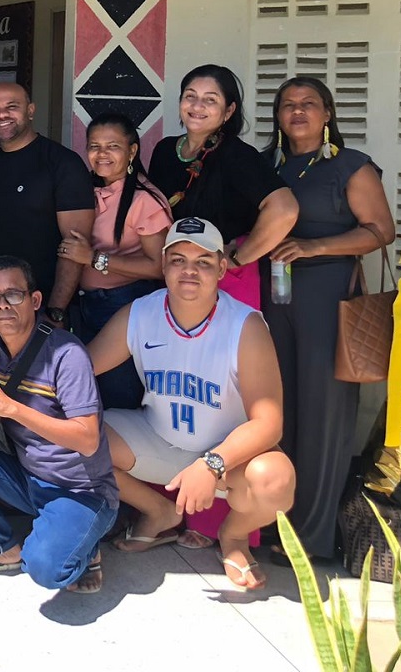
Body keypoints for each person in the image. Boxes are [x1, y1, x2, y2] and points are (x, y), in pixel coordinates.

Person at [89, 217, 296, 591]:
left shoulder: (244, 326)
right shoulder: (139, 313)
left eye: (203, 261)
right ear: (163, 265)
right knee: (77, 440)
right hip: (157, 440)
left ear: (221, 267)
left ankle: (232, 536)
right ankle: (158, 512)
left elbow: (269, 423)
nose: (189, 270)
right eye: (179, 259)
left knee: (275, 481)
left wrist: (212, 464)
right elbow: (81, 371)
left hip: (225, 457)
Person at [262, 77, 395, 561]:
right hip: (272, 298)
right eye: (288, 105)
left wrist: (314, 246)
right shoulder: (267, 165)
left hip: (326, 296)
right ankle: (273, 521)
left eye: (308, 104)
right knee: (279, 412)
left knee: (322, 415)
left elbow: (381, 230)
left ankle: (313, 537)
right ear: (277, 115)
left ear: (327, 113)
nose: (298, 112)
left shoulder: (349, 166)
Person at [0, 255, 118, 593]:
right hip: (29, 479)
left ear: (34, 301)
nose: (3, 305)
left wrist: (9, 407)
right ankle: (0, 549)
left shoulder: (66, 354)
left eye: (13, 294)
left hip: (80, 491)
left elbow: (88, 439)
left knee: (46, 571)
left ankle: (87, 546)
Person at [147, 64, 299, 309]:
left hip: (223, 281)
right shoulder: (164, 150)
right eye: (190, 96)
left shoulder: (237, 156)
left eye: (210, 100)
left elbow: (285, 209)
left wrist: (238, 258)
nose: (197, 106)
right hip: (176, 277)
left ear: (228, 111)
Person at [61, 112, 171, 409]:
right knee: (86, 394)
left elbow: (159, 266)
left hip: (124, 305)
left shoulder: (144, 200)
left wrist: (95, 259)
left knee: (117, 393)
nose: (102, 154)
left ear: (132, 150)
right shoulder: (87, 190)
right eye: (94, 146)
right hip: (84, 305)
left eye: (113, 146)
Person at [0, 82, 94, 328]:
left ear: (30, 110)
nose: (2, 115)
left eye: (12, 107)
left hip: (45, 306)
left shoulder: (63, 164)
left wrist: (56, 311)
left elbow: (75, 245)